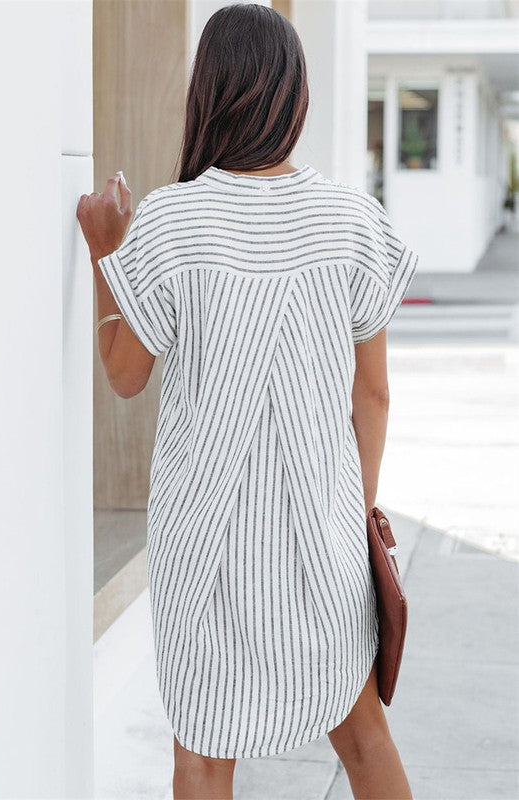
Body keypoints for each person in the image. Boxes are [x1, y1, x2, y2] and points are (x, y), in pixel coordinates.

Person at [77, 4, 416, 798]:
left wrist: (105, 256)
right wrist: (349, 507)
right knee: (362, 734)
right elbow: (373, 392)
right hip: (321, 528)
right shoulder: (350, 221)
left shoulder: (168, 220)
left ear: (208, 96)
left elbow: (125, 376)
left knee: (201, 750)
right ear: (293, 99)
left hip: (204, 539)